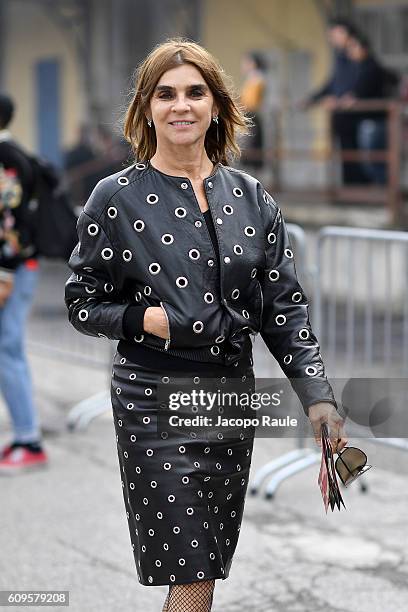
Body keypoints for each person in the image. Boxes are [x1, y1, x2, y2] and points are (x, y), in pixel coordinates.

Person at [64, 38, 347, 611]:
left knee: (207, 567)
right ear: (147, 108)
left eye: (195, 92)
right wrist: (144, 319)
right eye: (165, 94)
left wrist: (317, 398)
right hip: (151, 397)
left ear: (216, 105)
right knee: (190, 568)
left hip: (229, 397)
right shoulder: (114, 199)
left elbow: (283, 309)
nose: (181, 105)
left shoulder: (252, 198)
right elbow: (83, 302)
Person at [0, 93, 48, 473]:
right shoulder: (15, 153)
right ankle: (22, 435)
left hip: (12, 269)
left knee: (8, 348)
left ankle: (29, 440)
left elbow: (9, 221)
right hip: (17, 267)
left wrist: (4, 274)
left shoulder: (7, 159)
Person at [299, 17, 368, 185]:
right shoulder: (340, 56)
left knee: (360, 157)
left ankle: (360, 189)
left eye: (335, 34)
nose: (332, 38)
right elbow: (333, 83)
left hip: (359, 116)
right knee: (347, 156)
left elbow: (365, 79)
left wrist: (350, 96)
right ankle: (351, 189)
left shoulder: (359, 53)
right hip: (343, 116)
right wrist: (312, 99)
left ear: (346, 33)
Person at [345, 31, 398, 185]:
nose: (350, 52)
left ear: (364, 48)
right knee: (374, 160)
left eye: (353, 47)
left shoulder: (370, 67)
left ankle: (387, 191)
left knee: (373, 161)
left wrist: (350, 99)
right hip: (375, 121)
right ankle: (387, 191)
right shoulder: (360, 67)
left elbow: (361, 90)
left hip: (374, 121)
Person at [239, 51, 267, 172]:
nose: (244, 65)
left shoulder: (257, 79)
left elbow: (251, 103)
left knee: (252, 150)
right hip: (250, 114)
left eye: (247, 62)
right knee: (250, 149)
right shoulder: (253, 78)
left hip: (251, 115)